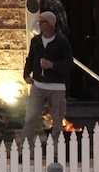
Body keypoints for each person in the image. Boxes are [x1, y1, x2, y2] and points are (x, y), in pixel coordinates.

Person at [22, 11, 72, 143]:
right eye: (40, 22)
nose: (40, 25)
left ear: (50, 24)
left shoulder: (61, 41)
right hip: (38, 85)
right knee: (31, 117)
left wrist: (53, 65)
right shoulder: (36, 41)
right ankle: (25, 148)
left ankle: (56, 150)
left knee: (57, 119)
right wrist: (26, 75)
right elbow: (30, 59)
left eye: (43, 22)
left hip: (56, 86)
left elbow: (68, 62)